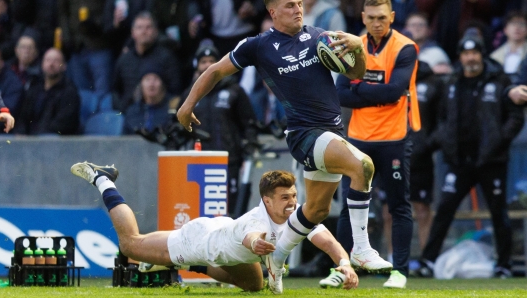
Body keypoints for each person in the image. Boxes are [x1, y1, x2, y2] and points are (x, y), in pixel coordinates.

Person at [177, 0, 392, 294]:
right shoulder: (258, 45)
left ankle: (276, 259)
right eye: (290, 5)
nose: (298, 9)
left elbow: (355, 74)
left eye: (300, 3)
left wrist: (356, 47)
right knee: (362, 165)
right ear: (272, 12)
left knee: (316, 210)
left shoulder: (318, 36)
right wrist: (187, 105)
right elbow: (215, 70)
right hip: (305, 134)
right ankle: (361, 249)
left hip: (330, 132)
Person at [70, 163, 359, 292]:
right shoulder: (255, 221)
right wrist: (259, 246)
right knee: (132, 244)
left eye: (294, 196)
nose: (292, 203)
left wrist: (345, 264)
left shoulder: (295, 214)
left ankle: (197, 268)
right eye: (285, 198)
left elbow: (327, 241)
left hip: (221, 232)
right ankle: (103, 178)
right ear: (267, 201)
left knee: (254, 285)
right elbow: (252, 237)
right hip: (199, 241)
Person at [322, 0, 420, 289]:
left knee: (398, 205)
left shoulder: (405, 47)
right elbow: (340, 94)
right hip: (358, 139)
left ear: (391, 17)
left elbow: (394, 92)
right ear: (363, 18)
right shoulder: (355, 46)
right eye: (372, 17)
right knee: (348, 207)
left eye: (382, 17)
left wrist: (360, 89)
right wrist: (378, 92)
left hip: (394, 138)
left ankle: (399, 271)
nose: (377, 22)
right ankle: (342, 267)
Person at [417, 34, 524, 279]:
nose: (470, 58)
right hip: (459, 161)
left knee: (499, 213)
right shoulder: (452, 82)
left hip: (491, 160)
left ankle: (504, 265)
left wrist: (500, 140)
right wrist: (441, 142)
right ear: (460, 57)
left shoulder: (499, 81)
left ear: (482, 55)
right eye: (465, 54)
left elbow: (515, 117)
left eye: (474, 53)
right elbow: (443, 118)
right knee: (444, 210)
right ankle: (428, 261)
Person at [179, 42, 259, 216]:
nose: (207, 65)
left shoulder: (235, 91)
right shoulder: (189, 95)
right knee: (200, 211)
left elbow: (249, 124)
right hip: (199, 162)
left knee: (230, 211)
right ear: (196, 66)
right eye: (203, 61)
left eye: (212, 61)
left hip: (229, 161)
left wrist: (249, 149)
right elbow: (180, 126)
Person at [380, 60, 444, 265]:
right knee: (388, 210)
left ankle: (427, 261)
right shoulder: (383, 75)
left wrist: (427, 144)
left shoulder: (431, 82)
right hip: (389, 151)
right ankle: (392, 259)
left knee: (422, 210)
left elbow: (443, 118)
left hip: (420, 157)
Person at [113, 11, 182, 113]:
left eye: (148, 27)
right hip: (128, 114)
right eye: (139, 27)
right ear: (133, 32)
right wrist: (123, 110)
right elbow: (115, 90)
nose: (144, 31)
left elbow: (175, 90)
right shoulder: (124, 59)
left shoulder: (167, 58)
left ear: (156, 31)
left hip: (159, 114)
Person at [15, 48, 80, 135]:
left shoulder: (70, 91)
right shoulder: (34, 87)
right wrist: (20, 133)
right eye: (48, 60)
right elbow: (23, 117)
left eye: (56, 61)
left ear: (64, 66)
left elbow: (64, 124)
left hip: (54, 142)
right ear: (42, 64)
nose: (51, 64)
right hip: (29, 141)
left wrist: (38, 138)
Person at [123, 64, 172, 135]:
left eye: (155, 79)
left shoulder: (171, 110)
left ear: (162, 85)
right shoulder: (132, 112)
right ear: (141, 85)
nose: (151, 84)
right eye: (147, 79)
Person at [490, 11, 527, 80]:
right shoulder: (494, 56)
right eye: (513, 24)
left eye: (522, 24)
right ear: (505, 29)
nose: (517, 28)